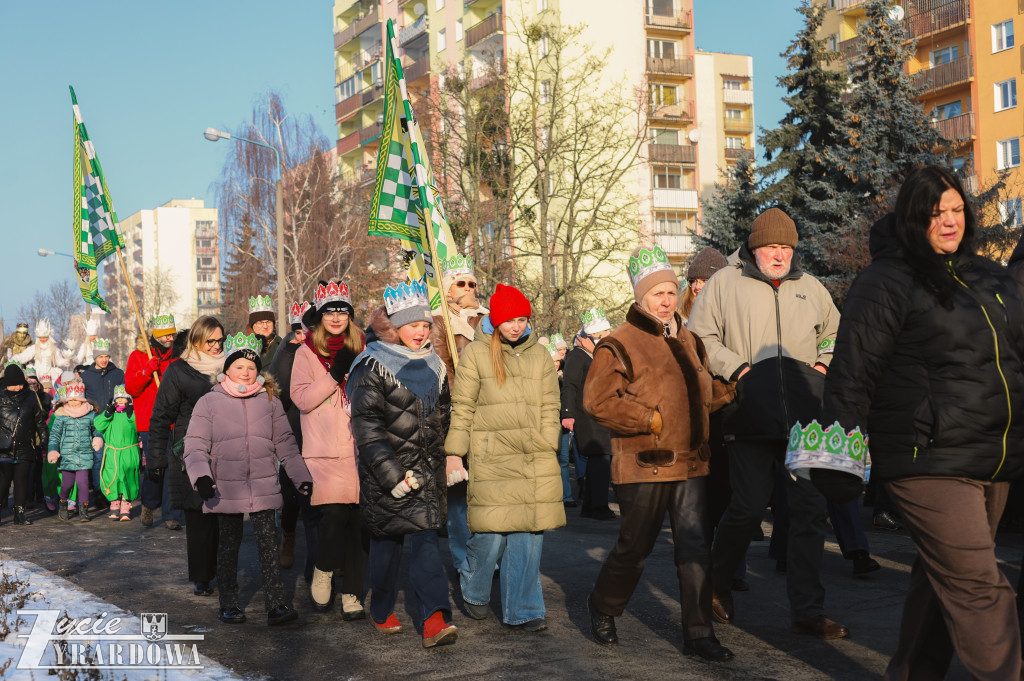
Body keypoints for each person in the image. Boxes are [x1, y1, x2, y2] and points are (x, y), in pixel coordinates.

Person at [822, 166, 1024, 680]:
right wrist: (837, 457)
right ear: (915, 217)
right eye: (937, 213)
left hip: (991, 455)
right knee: (980, 584)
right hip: (925, 456)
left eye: (957, 210)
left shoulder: (989, 277)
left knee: (943, 579)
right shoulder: (888, 279)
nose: (950, 221)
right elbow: (852, 372)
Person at [687, 207, 847, 639]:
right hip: (749, 413)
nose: (779, 255)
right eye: (771, 247)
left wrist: (821, 364)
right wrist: (736, 369)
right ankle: (717, 584)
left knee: (810, 512)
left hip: (806, 418)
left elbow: (835, 330)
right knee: (748, 506)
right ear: (754, 248)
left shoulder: (811, 288)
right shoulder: (725, 283)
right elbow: (699, 335)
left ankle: (808, 610)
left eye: (786, 247)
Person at [582, 246, 735, 661]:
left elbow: (696, 396)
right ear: (640, 297)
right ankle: (603, 604)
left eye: (671, 292)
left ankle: (699, 634)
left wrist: (730, 392)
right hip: (644, 465)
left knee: (695, 547)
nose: (666, 301)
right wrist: (648, 418)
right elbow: (598, 401)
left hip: (691, 462)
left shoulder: (689, 339)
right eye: (657, 294)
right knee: (635, 546)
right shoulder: (618, 343)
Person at [444, 283, 565, 632]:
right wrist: (455, 453)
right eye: (510, 319)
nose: (516, 325)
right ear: (496, 321)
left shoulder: (540, 355)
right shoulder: (477, 354)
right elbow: (463, 407)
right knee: (491, 534)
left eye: (523, 318)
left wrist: (548, 442)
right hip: (492, 455)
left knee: (528, 535)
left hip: (533, 455)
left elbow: (551, 406)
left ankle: (524, 609)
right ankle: (474, 582)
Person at [348, 279, 458, 647]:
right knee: (387, 549)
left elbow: (444, 418)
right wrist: (390, 474)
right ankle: (380, 609)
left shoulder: (435, 365)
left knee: (427, 545)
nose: (420, 332)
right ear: (395, 326)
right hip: (390, 476)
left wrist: (452, 459)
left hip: (426, 475)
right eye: (413, 325)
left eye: (426, 325)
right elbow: (366, 429)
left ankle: (435, 620)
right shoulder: (370, 365)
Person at [184, 332, 313, 626]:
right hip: (225, 487)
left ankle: (277, 604)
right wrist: (201, 477)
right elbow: (194, 445)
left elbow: (285, 443)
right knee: (229, 546)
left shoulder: (269, 401)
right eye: (239, 366)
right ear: (227, 369)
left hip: (264, 484)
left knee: (269, 546)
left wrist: (300, 477)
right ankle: (228, 603)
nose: (245, 372)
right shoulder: (209, 402)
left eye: (252, 367)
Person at [290, 280, 367, 619]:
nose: (336, 317)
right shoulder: (306, 352)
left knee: (357, 522)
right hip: (323, 451)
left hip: (360, 448)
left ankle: (352, 591)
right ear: (320, 317)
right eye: (330, 311)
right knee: (334, 516)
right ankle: (323, 569)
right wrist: (335, 373)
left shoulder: (363, 346)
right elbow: (302, 399)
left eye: (342, 311)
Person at [148, 316, 225, 596]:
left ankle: (225, 572)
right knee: (198, 515)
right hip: (190, 451)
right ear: (196, 341)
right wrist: (155, 458)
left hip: (226, 450)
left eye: (220, 340)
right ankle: (202, 576)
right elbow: (161, 417)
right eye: (210, 341)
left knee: (226, 518)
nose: (216, 346)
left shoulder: (232, 366)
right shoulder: (179, 371)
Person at [430, 255, 488, 578]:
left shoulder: (488, 321)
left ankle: (486, 553)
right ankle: (464, 559)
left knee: (485, 491)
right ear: (448, 289)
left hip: (489, 416)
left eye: (473, 284)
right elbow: (444, 370)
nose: (469, 289)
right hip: (456, 414)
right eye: (461, 283)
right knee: (457, 495)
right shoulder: (440, 323)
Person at [267, 301, 315, 574]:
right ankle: (288, 536)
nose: (303, 335)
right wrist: (288, 349)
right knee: (291, 488)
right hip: (294, 425)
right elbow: (279, 389)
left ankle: (323, 548)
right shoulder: (287, 348)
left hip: (325, 425)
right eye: (298, 330)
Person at [125, 314, 180, 529]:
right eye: (164, 335)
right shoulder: (138, 356)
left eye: (171, 334)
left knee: (173, 467)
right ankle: (149, 503)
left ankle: (171, 513)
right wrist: (147, 371)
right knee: (156, 465)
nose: (169, 338)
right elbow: (131, 388)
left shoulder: (177, 357)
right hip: (149, 422)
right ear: (155, 335)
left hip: (174, 420)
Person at [560, 309, 614, 520]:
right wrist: (568, 413)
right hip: (587, 417)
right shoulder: (577, 356)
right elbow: (570, 386)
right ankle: (598, 505)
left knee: (597, 461)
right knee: (600, 459)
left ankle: (591, 505)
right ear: (585, 338)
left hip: (598, 416)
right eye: (600, 337)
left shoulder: (594, 356)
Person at [0, 362, 49, 525]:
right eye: (14, 385)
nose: (19, 387)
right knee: (3, 482)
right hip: (3, 447)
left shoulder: (31, 396)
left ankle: (19, 514)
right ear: (7, 384)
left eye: (20, 383)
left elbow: (39, 421)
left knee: (22, 482)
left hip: (25, 445)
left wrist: (44, 440)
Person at [47, 381, 101, 521]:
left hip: (84, 455)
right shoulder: (62, 415)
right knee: (67, 484)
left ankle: (84, 509)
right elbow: (54, 436)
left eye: (77, 400)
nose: (73, 403)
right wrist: (53, 450)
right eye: (71, 400)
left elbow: (97, 431)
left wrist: (98, 439)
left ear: (82, 399)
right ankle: (63, 501)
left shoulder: (90, 415)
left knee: (83, 483)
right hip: (66, 456)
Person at [81, 338, 124, 507]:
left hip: (115, 422)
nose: (104, 360)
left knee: (115, 458)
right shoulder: (86, 376)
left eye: (106, 356)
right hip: (97, 423)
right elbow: (83, 400)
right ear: (95, 358)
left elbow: (126, 395)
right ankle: (99, 492)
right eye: (100, 357)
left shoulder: (118, 374)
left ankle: (116, 491)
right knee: (98, 458)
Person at [93, 385, 140, 521]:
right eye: (118, 398)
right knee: (111, 477)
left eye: (123, 398)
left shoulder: (131, 414)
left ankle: (126, 503)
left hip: (128, 451)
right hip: (112, 452)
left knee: (128, 477)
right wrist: (107, 414)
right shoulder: (110, 415)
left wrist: (131, 414)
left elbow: (138, 426)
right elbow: (99, 425)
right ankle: (114, 501)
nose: (120, 401)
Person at [13, 319, 73, 389]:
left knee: (55, 387)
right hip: (37, 373)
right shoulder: (34, 348)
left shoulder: (54, 349)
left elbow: (58, 361)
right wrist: (13, 358)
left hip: (50, 374)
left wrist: (64, 362)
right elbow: (24, 357)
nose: (42, 339)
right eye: (40, 337)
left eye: (44, 337)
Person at [678, 247, 728, 322]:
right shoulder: (679, 318)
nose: (697, 287)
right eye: (693, 281)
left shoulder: (731, 315)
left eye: (704, 280)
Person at [247, 294, 283, 367]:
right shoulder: (244, 346)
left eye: (268, 322)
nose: (265, 326)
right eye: (260, 322)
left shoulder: (282, 345)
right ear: (252, 326)